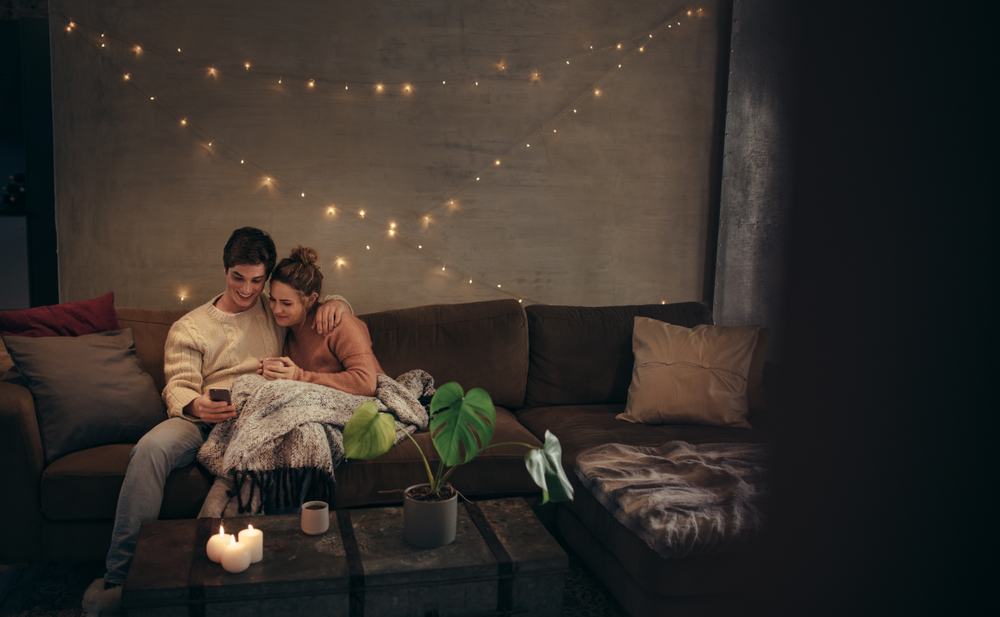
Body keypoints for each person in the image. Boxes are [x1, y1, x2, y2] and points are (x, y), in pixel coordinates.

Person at [83, 228, 352, 615]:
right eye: (238, 278)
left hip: (257, 417)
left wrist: (338, 303)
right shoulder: (190, 327)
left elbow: (309, 299)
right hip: (204, 418)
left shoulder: (271, 308)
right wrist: (195, 406)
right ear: (225, 269)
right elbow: (177, 386)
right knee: (150, 449)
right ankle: (118, 581)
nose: (247, 290)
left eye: (257, 280)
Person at [259, 246, 383, 395]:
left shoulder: (338, 323)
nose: (276, 309)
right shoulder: (287, 330)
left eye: (286, 303)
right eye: (273, 299)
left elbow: (367, 383)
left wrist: (298, 377)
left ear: (311, 299)